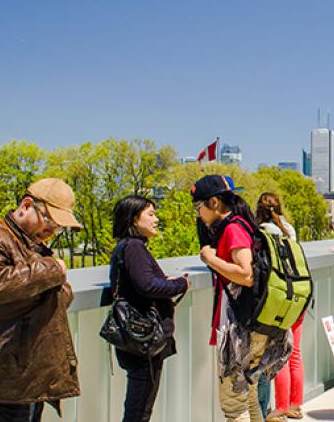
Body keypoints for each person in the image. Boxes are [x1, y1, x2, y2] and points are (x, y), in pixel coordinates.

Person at [0, 178, 82, 421]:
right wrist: (52, 269)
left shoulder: (33, 245)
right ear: (26, 205)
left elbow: (62, 295)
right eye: (49, 220)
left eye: (58, 226)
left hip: (28, 380)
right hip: (4, 383)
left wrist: (48, 277)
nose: (52, 230)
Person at [193, 175, 291, 422]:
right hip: (255, 325)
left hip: (241, 332)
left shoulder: (233, 229)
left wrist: (209, 258)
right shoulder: (243, 225)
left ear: (214, 202)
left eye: (198, 206)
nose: (198, 214)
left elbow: (246, 274)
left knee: (235, 406)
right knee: (249, 397)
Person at [109, 195, 189, 422]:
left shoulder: (127, 247)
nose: (156, 219)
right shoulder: (134, 247)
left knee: (139, 403)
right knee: (139, 408)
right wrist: (180, 284)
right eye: (151, 214)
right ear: (135, 219)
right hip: (143, 340)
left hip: (136, 337)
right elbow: (148, 285)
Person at [256, 193, 305, 422]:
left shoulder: (261, 231)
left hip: (277, 300)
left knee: (278, 355)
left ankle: (281, 407)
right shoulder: (289, 229)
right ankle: (296, 404)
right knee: (294, 353)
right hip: (298, 295)